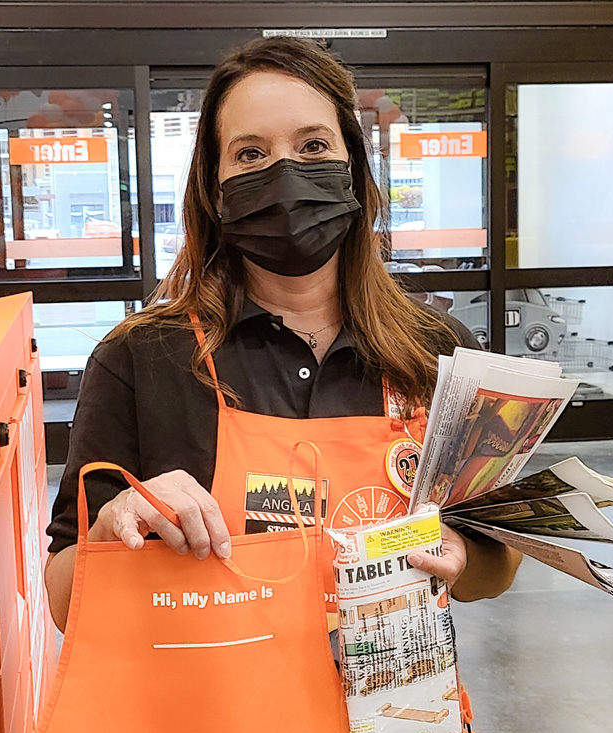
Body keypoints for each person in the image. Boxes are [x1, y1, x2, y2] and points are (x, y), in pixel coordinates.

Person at [44, 35, 521, 630]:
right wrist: (116, 523)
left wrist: (463, 557)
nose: (285, 173)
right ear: (213, 190)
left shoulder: (440, 351)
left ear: (353, 168)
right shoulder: (140, 359)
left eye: (313, 145)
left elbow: (497, 568)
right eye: (249, 155)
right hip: (214, 716)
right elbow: (65, 604)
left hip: (404, 716)